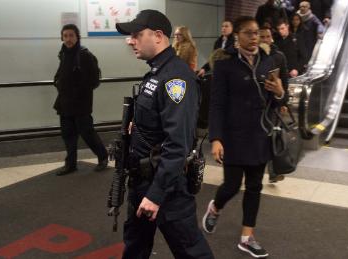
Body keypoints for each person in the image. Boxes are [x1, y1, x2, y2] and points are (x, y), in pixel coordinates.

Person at [115, 9, 214, 259]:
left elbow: (178, 144)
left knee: (191, 251)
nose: (130, 40)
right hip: (142, 179)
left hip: (165, 187)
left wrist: (155, 194)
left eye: (137, 35)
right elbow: (158, 124)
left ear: (158, 36)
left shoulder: (176, 78)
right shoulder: (156, 72)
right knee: (135, 246)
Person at [202, 16, 286, 258]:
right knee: (231, 185)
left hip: (260, 134)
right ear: (237, 35)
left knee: (254, 186)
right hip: (234, 136)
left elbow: (279, 100)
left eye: (256, 33)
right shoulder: (225, 64)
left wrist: (280, 92)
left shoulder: (268, 61)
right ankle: (215, 207)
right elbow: (216, 104)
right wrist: (216, 138)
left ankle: (247, 237)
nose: (254, 38)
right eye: (248, 33)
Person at [53, 24, 108, 176]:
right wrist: (57, 82)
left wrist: (78, 91)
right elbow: (60, 74)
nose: (68, 39)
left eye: (71, 35)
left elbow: (94, 80)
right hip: (65, 103)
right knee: (68, 134)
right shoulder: (63, 54)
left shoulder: (84, 55)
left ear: (77, 37)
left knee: (87, 132)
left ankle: (103, 157)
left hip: (80, 104)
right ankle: (70, 164)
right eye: (65, 36)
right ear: (62, 38)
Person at [259, 27, 289, 183]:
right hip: (256, 105)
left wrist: (284, 101)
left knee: (272, 137)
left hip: (273, 104)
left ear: (272, 38)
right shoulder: (253, 56)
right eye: (261, 36)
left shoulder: (279, 56)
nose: (265, 39)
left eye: (267, 36)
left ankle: (273, 172)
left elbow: (284, 81)